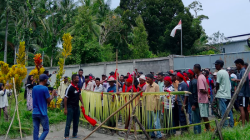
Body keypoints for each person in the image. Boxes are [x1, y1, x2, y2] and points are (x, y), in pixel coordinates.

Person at [32, 74, 57, 140]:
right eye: (47, 80)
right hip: (42, 112)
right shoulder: (45, 88)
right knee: (46, 130)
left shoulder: (34, 88)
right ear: (45, 80)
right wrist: (53, 94)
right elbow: (48, 100)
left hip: (34, 112)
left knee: (36, 130)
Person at [214, 60, 234, 128]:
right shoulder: (226, 72)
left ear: (220, 65)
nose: (215, 66)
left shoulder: (219, 72)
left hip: (222, 94)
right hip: (227, 94)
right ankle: (231, 124)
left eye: (216, 64)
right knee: (229, 111)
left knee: (223, 112)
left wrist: (216, 90)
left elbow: (217, 83)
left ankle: (225, 126)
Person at [64, 74, 84, 140]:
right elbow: (65, 98)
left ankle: (74, 134)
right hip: (70, 107)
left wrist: (82, 103)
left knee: (76, 121)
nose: (79, 79)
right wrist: (65, 109)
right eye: (77, 78)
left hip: (76, 106)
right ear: (74, 79)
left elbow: (79, 95)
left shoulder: (78, 87)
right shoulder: (69, 87)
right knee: (68, 121)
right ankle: (66, 136)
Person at [193, 64, 211, 131]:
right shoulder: (203, 76)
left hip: (202, 99)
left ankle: (208, 129)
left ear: (197, 69)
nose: (193, 70)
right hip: (204, 98)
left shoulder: (200, 78)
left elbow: (202, 89)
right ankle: (208, 129)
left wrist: (206, 92)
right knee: (204, 115)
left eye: (194, 68)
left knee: (204, 116)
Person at [233, 59, 249, 126]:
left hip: (243, 93)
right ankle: (247, 122)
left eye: (236, 65)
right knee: (245, 109)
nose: (236, 66)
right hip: (242, 93)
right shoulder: (241, 71)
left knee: (241, 108)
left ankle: (243, 125)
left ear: (239, 64)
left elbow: (244, 80)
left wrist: (236, 80)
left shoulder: (243, 71)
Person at [145, 74, 162, 139]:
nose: (147, 80)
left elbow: (158, 97)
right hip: (148, 106)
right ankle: (151, 134)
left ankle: (159, 135)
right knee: (149, 122)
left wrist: (156, 106)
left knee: (156, 122)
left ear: (152, 79)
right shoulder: (147, 86)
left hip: (154, 107)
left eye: (148, 79)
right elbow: (145, 94)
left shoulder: (156, 86)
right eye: (147, 79)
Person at [187, 69, 201, 134]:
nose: (187, 75)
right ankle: (196, 132)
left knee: (196, 119)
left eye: (188, 74)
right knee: (193, 119)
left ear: (191, 74)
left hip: (194, 104)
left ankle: (197, 132)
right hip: (192, 103)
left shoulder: (194, 82)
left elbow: (195, 94)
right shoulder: (191, 81)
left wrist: (194, 104)